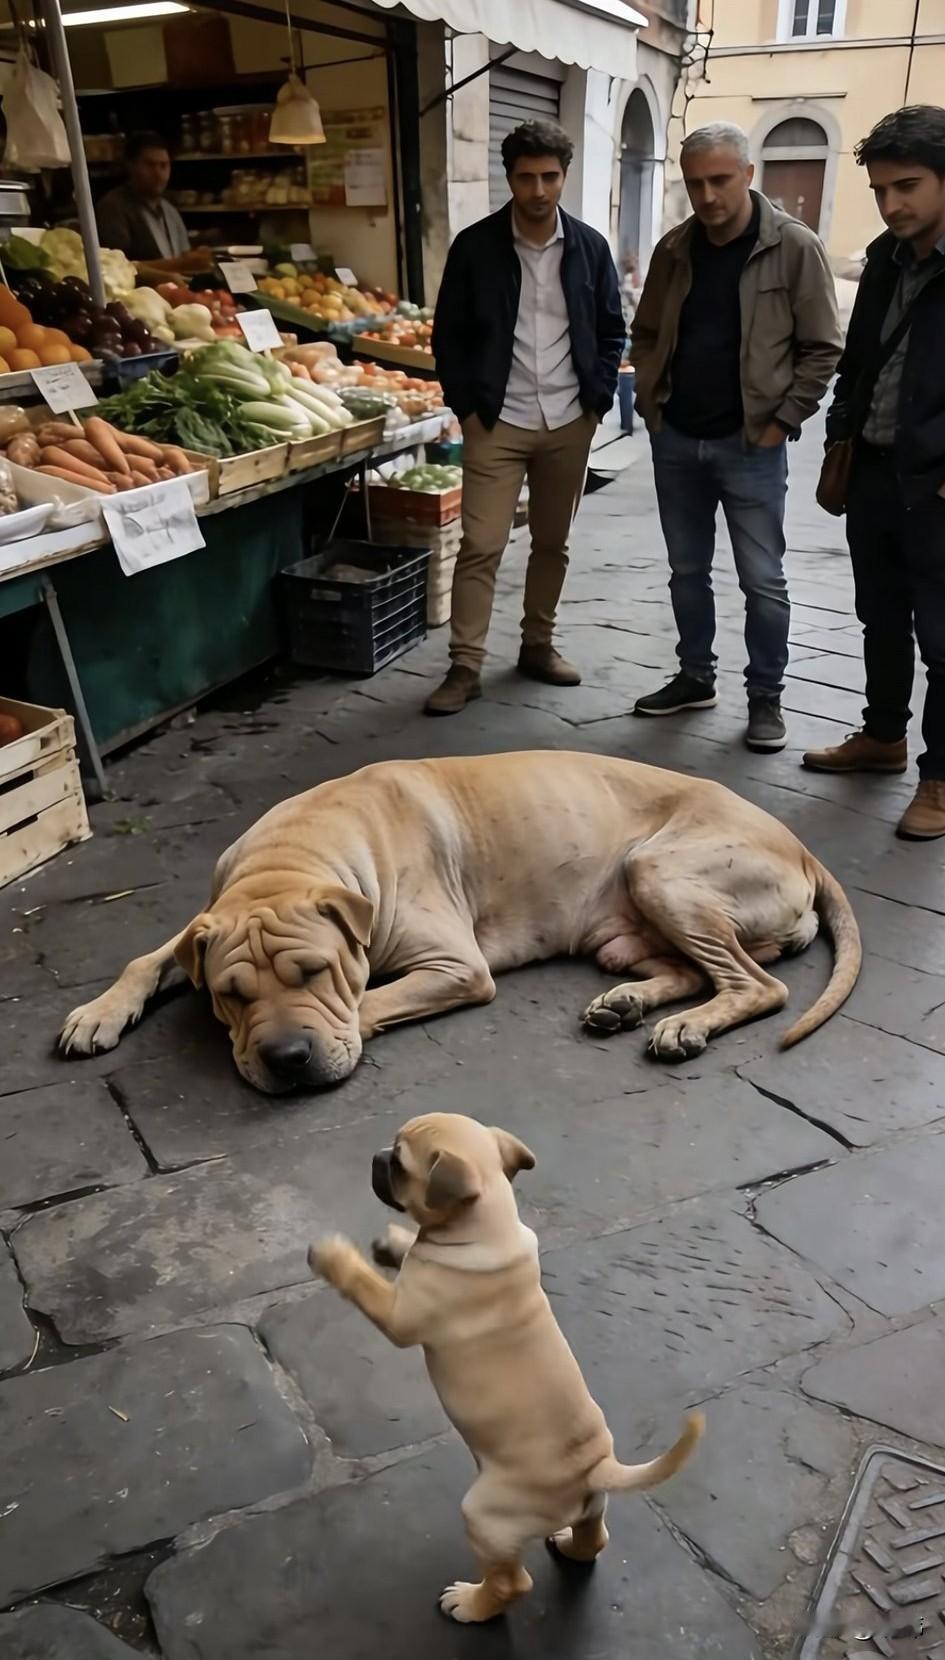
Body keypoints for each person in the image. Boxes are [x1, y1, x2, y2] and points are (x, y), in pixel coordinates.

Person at [630, 122, 842, 752]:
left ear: (749, 175)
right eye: (695, 183)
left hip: (752, 444)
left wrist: (782, 422)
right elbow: (646, 332)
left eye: (720, 180)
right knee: (685, 571)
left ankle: (766, 697)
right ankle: (695, 676)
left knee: (762, 580)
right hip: (677, 439)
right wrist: (650, 401)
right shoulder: (675, 249)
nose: (707, 196)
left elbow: (823, 347)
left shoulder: (793, 246)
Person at [425, 119, 624, 716]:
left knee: (552, 542)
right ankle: (465, 665)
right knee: (481, 544)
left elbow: (611, 329)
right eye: (526, 177)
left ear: (564, 176)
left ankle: (538, 644)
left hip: (569, 419)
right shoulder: (476, 247)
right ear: (508, 178)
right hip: (497, 420)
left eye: (550, 177)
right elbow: (448, 335)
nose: (539, 190)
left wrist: (597, 400)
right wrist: (467, 407)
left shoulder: (589, 247)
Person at [803, 106, 945, 842]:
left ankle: (940, 780)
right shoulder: (886, 256)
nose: (891, 204)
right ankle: (883, 735)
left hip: (937, 487)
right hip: (874, 472)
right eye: (880, 190)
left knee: (943, 640)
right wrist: (841, 428)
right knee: (879, 616)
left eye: (907, 186)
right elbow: (858, 358)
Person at [96, 131, 191, 264]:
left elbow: (185, 256)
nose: (158, 174)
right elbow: (117, 267)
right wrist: (181, 264)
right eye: (150, 165)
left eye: (163, 166)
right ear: (131, 166)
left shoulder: (170, 212)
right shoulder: (113, 208)